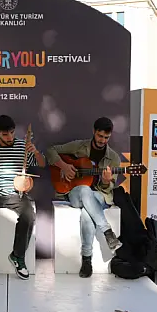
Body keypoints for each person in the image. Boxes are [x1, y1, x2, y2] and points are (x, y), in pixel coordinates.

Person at [0, 115, 46, 280]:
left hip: (16, 192)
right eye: (5, 134)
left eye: (12, 133)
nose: (10, 137)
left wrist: (36, 152)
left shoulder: (22, 145)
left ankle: (18, 256)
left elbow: (41, 164)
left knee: (28, 215)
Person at [46, 117, 122, 278]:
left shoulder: (114, 158)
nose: (102, 140)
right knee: (85, 189)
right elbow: (50, 150)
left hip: (100, 196)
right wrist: (65, 167)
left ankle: (86, 260)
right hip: (74, 192)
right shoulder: (79, 146)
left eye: (106, 138)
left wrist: (106, 181)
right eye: (100, 136)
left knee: (87, 214)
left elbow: (107, 189)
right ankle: (107, 231)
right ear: (94, 132)